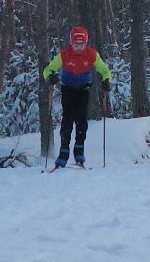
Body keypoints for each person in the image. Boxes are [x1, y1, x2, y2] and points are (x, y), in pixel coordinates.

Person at [42, 26, 111, 169]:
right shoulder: (64, 55)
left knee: (82, 119)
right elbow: (48, 69)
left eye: (81, 44)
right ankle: (63, 153)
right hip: (67, 89)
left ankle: (79, 151)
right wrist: (50, 77)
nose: (78, 47)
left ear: (86, 43)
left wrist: (106, 80)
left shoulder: (92, 54)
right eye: (75, 44)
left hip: (84, 89)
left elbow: (104, 69)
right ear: (71, 43)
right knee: (67, 119)